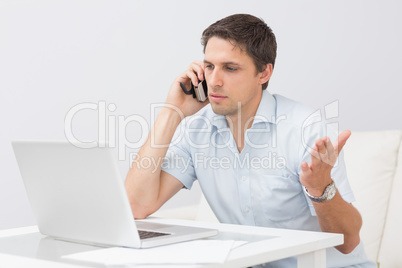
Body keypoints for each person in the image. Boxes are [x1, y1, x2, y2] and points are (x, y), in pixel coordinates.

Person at [125, 14, 376, 267]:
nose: (213, 81)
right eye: (209, 66)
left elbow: (348, 242)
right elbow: (135, 207)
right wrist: (172, 111)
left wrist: (321, 188)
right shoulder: (197, 131)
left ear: (264, 73)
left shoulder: (305, 129)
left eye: (230, 68)